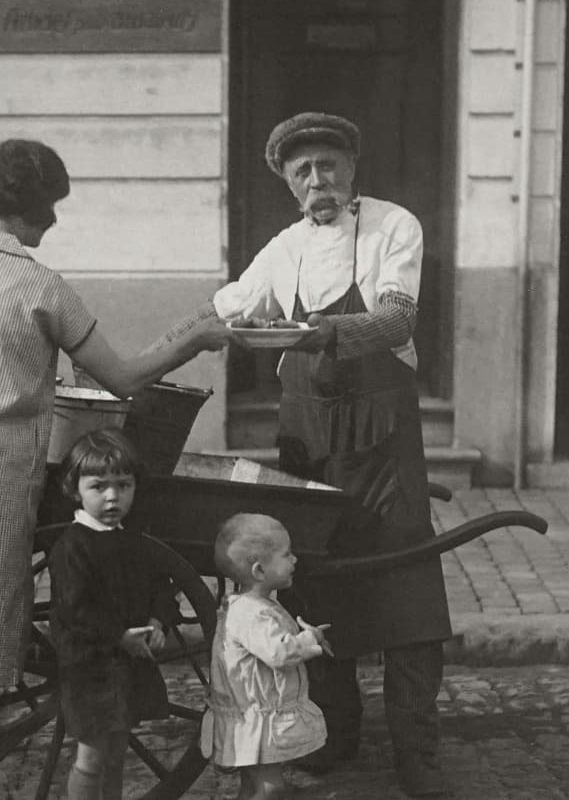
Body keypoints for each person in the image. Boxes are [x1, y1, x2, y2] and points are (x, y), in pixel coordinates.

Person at [0, 138, 232, 800]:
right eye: (51, 208)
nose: (54, 224)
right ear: (34, 209)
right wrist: (194, 337)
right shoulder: (39, 287)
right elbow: (120, 379)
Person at [160, 111, 454, 796]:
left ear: (351, 169)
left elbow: (397, 318)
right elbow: (224, 310)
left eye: (328, 166)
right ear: (290, 187)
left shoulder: (392, 226)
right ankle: (336, 736)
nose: (317, 180)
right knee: (315, 583)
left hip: (382, 444)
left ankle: (418, 752)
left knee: (408, 589)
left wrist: (316, 332)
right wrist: (143, 359)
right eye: (303, 172)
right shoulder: (284, 248)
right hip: (306, 446)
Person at [47, 428, 177, 800]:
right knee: (91, 756)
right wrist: (118, 636)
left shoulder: (133, 540)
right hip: (90, 666)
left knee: (117, 752)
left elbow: (161, 584)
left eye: (123, 485)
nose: (112, 496)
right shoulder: (73, 546)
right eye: (98, 486)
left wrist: (158, 620)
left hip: (127, 665)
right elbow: (75, 609)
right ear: (75, 489)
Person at [202, 513, 331, 800]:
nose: (295, 560)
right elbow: (278, 652)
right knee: (270, 786)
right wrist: (309, 640)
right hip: (259, 718)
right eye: (286, 554)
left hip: (254, 714)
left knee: (254, 781)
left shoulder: (255, 606)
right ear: (260, 571)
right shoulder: (253, 613)